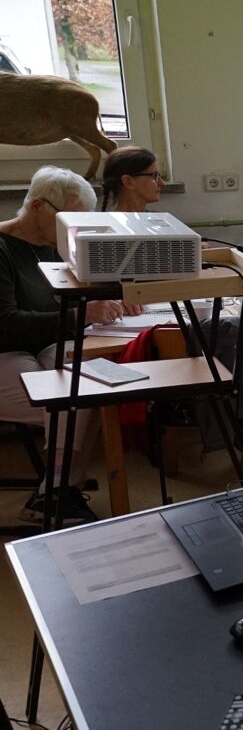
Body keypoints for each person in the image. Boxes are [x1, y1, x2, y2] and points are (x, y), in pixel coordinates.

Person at [0, 167, 135, 522]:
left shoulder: (55, 246)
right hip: (6, 348)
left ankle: (55, 490)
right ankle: (58, 490)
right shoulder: (2, 249)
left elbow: (85, 287)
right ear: (39, 207)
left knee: (89, 385)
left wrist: (122, 293)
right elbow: (6, 327)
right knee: (61, 396)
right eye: (70, 216)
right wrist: (81, 316)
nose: (75, 228)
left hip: (47, 342)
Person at [100, 147, 163, 212]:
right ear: (128, 182)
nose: (162, 183)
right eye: (154, 176)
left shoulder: (160, 219)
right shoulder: (110, 222)